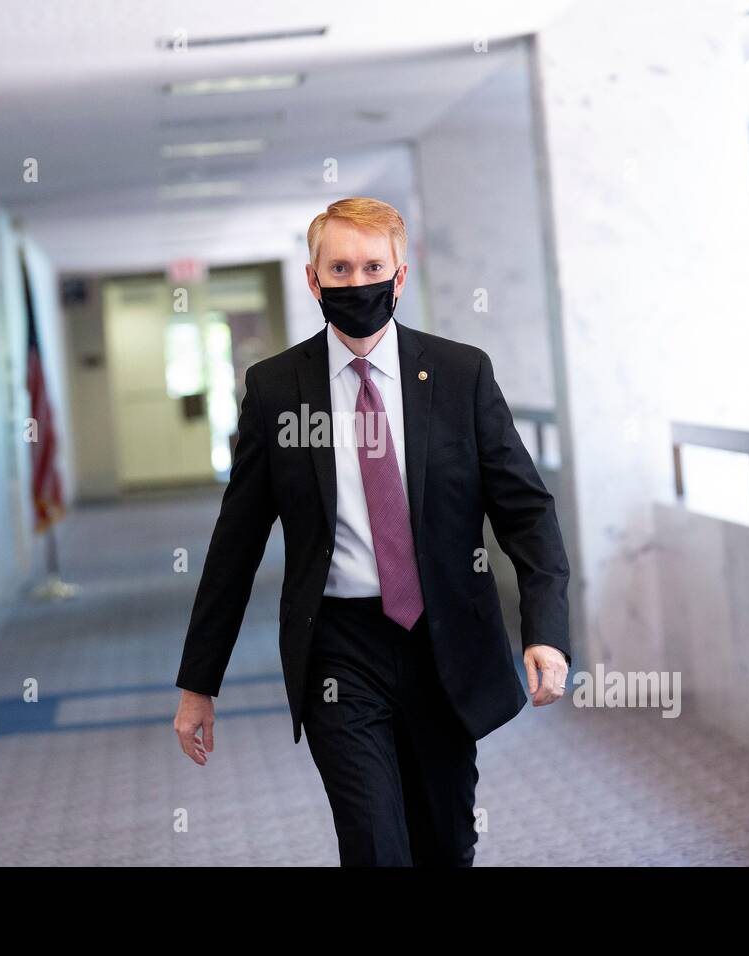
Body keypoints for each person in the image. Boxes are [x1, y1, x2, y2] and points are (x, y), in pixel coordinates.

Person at [173, 197, 571, 866]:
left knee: (445, 842)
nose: (357, 283)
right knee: (373, 842)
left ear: (401, 275)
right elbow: (236, 543)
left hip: (443, 641)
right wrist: (197, 682)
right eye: (339, 268)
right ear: (312, 279)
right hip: (337, 648)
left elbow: (525, 510)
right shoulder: (276, 391)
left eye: (372, 267)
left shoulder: (459, 374)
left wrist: (547, 632)